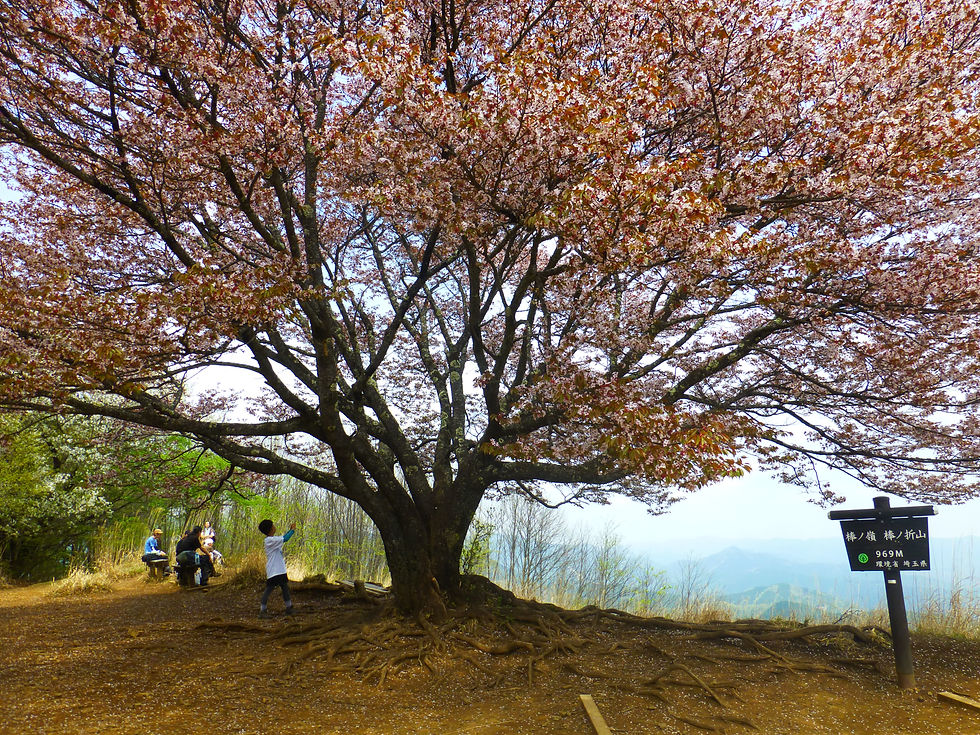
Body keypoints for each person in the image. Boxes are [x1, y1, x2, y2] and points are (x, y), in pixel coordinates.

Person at [259, 519, 296, 617]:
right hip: (274, 570)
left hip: (279, 569)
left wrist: (290, 530)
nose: (275, 526)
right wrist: (292, 530)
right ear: (271, 529)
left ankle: (289, 607)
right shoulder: (269, 541)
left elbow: (283, 538)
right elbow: (285, 539)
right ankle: (262, 610)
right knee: (269, 589)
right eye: (273, 525)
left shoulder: (273, 539)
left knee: (284, 587)